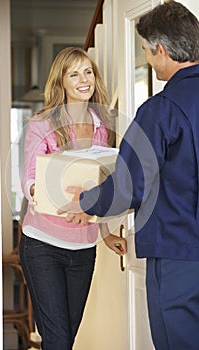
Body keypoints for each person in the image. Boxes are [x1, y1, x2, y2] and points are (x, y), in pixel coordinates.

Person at [59, 2, 199, 350]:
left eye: (146, 52)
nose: (148, 61)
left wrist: (85, 201)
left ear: (162, 50)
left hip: (179, 257)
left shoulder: (160, 110)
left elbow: (129, 186)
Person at [19, 47, 127, 350]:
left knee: (66, 339)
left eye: (88, 71)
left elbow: (99, 183)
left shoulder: (102, 127)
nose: (84, 79)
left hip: (83, 248)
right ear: (62, 82)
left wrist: (104, 231)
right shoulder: (43, 123)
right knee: (58, 341)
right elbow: (29, 179)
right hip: (42, 245)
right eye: (74, 73)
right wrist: (48, 195)